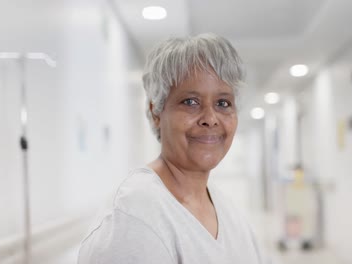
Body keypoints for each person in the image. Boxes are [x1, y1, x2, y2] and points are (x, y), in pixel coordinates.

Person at [78, 33, 264, 264]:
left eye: (223, 103)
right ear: (156, 112)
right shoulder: (135, 218)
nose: (210, 118)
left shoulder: (226, 209)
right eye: (190, 102)